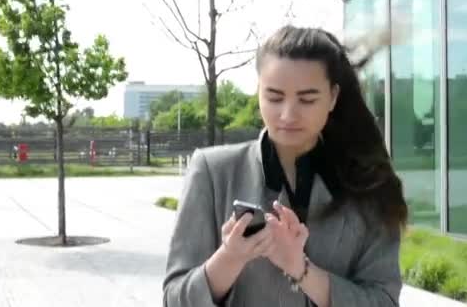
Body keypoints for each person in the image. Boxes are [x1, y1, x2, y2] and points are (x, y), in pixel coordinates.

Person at [163, 25, 407, 307]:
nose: (288, 114)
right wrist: (229, 259)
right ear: (258, 92)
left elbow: (384, 301)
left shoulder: (369, 184)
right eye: (274, 97)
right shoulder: (212, 171)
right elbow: (174, 299)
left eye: (307, 99)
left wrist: (301, 269)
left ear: (333, 97)